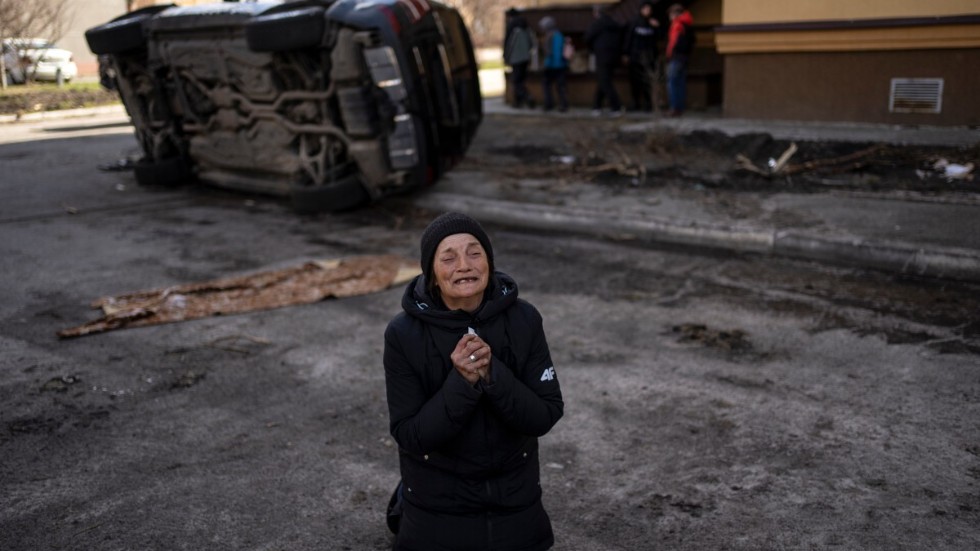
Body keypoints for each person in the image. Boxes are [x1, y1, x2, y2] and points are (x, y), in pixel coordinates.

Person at [383, 212, 564, 551]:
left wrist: (493, 374)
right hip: (438, 500)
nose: (464, 265)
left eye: (474, 253)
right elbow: (410, 435)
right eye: (448, 258)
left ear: (489, 263)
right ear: (433, 275)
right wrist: (462, 383)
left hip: (514, 495)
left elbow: (545, 414)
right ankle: (404, 506)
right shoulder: (403, 334)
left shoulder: (524, 318)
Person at [584, 6, 624, 117]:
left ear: (596, 13)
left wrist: (592, 49)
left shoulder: (597, 24)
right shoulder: (614, 24)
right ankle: (596, 106)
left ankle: (616, 107)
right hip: (614, 57)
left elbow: (587, 38)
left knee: (605, 82)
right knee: (604, 80)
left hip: (602, 56)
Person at [624, 1, 661, 112]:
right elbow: (628, 39)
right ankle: (635, 103)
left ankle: (648, 104)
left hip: (649, 58)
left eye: (649, 9)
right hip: (635, 57)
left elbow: (659, 38)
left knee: (647, 82)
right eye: (645, 9)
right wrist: (625, 53)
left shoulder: (652, 23)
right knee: (635, 82)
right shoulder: (634, 22)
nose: (647, 11)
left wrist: (657, 27)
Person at [665, 3, 695, 117]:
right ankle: (680, 108)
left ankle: (674, 108)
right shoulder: (688, 24)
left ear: (675, 14)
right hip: (685, 58)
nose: (669, 17)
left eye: (670, 14)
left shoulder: (677, 25)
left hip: (676, 57)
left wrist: (670, 54)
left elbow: (673, 42)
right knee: (681, 83)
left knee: (672, 83)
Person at [504, 9, 536, 109]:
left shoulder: (512, 27)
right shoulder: (526, 27)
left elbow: (509, 44)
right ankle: (518, 102)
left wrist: (506, 57)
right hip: (526, 57)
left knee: (517, 81)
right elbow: (532, 42)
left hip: (515, 58)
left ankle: (527, 97)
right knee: (521, 80)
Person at [538, 16, 569, 112]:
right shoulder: (559, 35)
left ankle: (549, 104)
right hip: (561, 65)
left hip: (552, 65)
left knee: (547, 85)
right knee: (561, 87)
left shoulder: (549, 36)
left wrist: (546, 64)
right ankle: (563, 105)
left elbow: (550, 52)